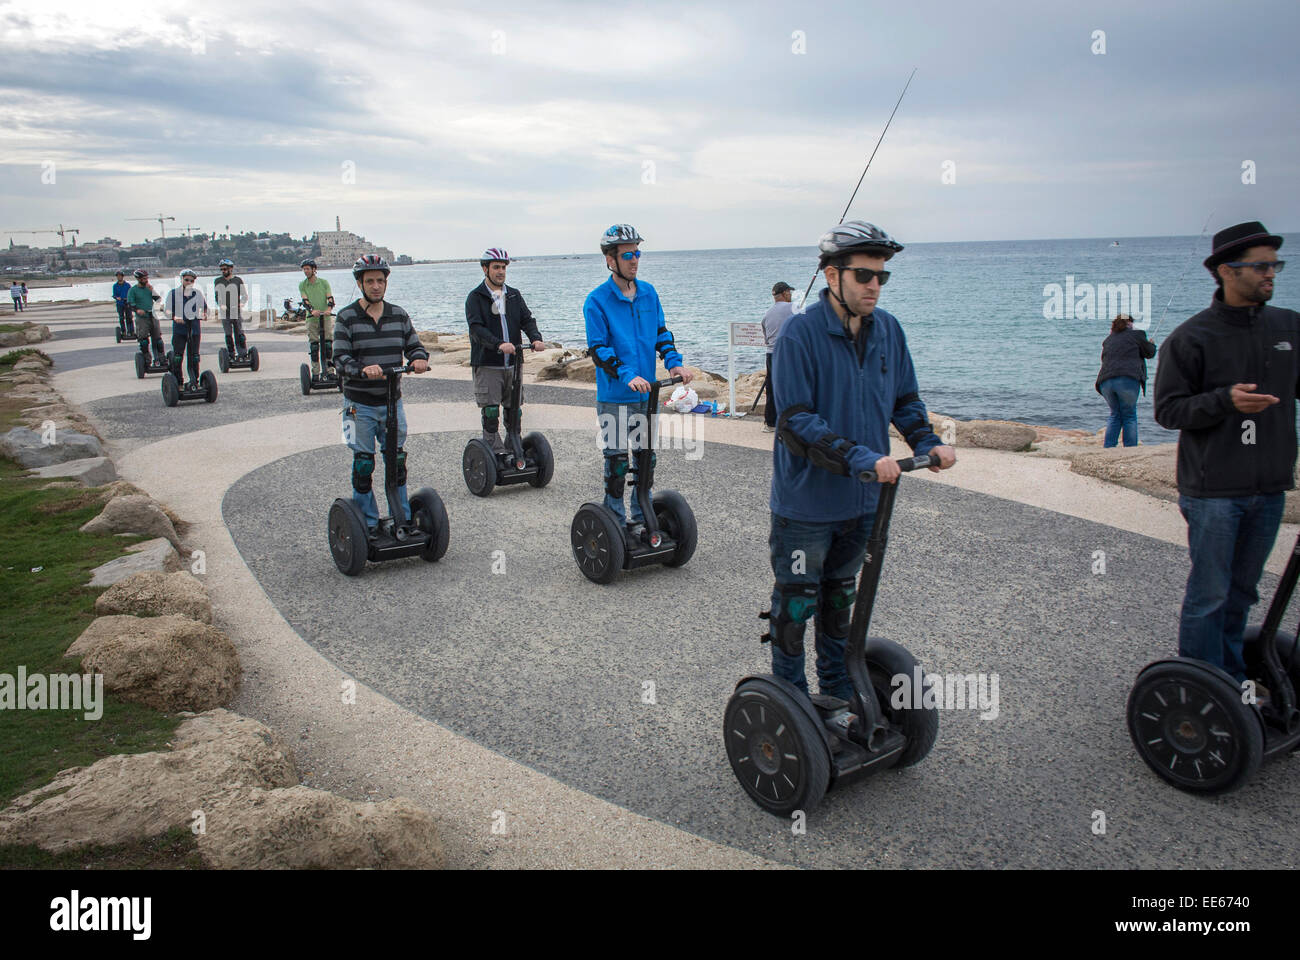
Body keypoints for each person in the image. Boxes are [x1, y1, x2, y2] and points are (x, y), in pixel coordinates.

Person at [768, 220, 956, 701]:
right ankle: (791, 701)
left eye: (881, 277)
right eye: (864, 276)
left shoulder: (889, 331)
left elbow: (905, 401)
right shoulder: (798, 336)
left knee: (840, 600)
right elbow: (796, 422)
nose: (875, 286)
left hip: (865, 501)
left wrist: (925, 443)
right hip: (806, 507)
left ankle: (838, 693)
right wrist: (861, 457)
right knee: (796, 605)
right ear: (832, 277)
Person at [1153, 220, 1295, 688]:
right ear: (1226, 272)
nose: (1271, 273)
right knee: (1210, 595)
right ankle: (1200, 691)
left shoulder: (1288, 327)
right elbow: (1168, 411)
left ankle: (1233, 679)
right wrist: (1224, 402)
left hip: (1270, 487)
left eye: (1274, 264)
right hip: (1213, 491)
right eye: (1260, 266)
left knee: (1242, 594)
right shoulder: (1192, 338)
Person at [584, 224, 692, 535]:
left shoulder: (648, 292)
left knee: (646, 461)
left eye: (637, 253)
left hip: (647, 397)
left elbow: (661, 334)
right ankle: (615, 525)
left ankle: (642, 517)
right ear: (610, 260)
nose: (635, 259)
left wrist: (674, 364)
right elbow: (600, 350)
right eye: (628, 254)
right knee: (617, 465)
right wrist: (628, 375)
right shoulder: (597, 301)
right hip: (615, 397)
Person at [332, 255, 430, 533]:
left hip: (391, 403)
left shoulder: (398, 314)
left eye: (380, 281)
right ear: (360, 283)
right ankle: (369, 524)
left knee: (396, 461)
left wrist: (419, 358)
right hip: (357, 405)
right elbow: (339, 359)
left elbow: (414, 345)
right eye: (370, 281)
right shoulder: (346, 317)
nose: (376, 286)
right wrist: (362, 369)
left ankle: (403, 519)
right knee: (363, 465)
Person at [465, 248, 545, 453]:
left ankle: (514, 446)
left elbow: (527, 319)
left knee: (514, 410)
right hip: (488, 363)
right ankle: (493, 450)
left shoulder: (514, 295)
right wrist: (498, 344)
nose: (501, 271)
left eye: (503, 267)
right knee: (491, 411)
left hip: (513, 364)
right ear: (485, 269)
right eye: (496, 267)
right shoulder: (476, 297)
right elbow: (476, 329)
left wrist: (535, 338)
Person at [1095, 313, 1157, 447]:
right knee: (1129, 415)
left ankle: (1109, 448)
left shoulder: (1108, 340)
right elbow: (1149, 353)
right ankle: (1130, 449)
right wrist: (1152, 344)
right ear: (1129, 323)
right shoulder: (1137, 334)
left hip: (1105, 382)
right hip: (1126, 380)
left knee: (1115, 414)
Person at [759, 281, 795, 431]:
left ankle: (770, 422)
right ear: (785, 293)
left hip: (771, 355)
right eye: (790, 293)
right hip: (788, 354)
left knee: (772, 388)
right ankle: (791, 421)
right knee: (792, 387)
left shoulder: (767, 314)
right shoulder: (794, 309)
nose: (791, 295)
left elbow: (766, 338)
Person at [164, 268, 208, 389]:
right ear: (181, 279)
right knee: (178, 357)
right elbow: (167, 310)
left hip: (194, 330)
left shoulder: (197, 294)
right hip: (180, 330)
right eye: (186, 279)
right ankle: (177, 382)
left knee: (194, 357)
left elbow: (204, 307)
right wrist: (174, 317)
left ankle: (195, 381)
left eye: (191, 280)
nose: (189, 282)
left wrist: (204, 314)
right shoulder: (173, 293)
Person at [299, 258, 335, 377]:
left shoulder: (324, 282)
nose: (306, 271)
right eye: (304, 269)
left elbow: (330, 298)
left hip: (325, 317)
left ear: (314, 269)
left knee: (328, 345)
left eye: (308, 269)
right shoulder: (303, 285)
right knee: (314, 346)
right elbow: (305, 300)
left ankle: (330, 371)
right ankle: (315, 372)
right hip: (311, 318)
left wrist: (329, 310)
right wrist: (312, 310)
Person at [127, 269, 167, 366]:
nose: (146, 280)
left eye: (147, 278)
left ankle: (161, 359)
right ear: (138, 279)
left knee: (158, 340)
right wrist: (137, 310)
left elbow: (158, 299)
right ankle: (146, 359)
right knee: (144, 341)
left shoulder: (149, 288)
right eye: (144, 279)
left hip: (152, 316)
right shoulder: (133, 290)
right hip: (142, 318)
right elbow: (130, 304)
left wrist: (152, 291)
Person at [212, 258, 249, 360]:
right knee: (228, 335)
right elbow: (217, 296)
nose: (223, 271)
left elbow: (244, 295)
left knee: (240, 334)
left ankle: (243, 353)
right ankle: (231, 354)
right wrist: (221, 304)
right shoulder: (218, 281)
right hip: (225, 313)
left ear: (231, 269)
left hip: (236, 311)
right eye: (222, 269)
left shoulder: (238, 280)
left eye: (225, 269)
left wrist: (241, 303)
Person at [111, 271, 134, 337]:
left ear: (122, 276)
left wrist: (129, 299)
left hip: (127, 303)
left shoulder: (127, 285)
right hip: (119, 304)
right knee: (121, 318)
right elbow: (114, 295)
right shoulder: (115, 286)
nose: (119, 277)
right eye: (118, 276)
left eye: (120, 276)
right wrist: (116, 297)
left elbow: (131, 293)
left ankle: (131, 331)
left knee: (129, 318)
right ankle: (123, 331)